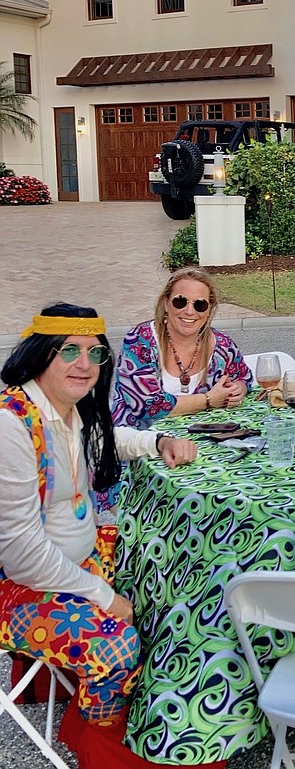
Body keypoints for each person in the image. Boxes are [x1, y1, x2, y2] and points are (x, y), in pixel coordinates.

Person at [0, 304, 197, 725]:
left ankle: (170, 697)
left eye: (96, 353)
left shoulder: (70, 405)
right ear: (41, 353)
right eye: (70, 351)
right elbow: (21, 555)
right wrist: (105, 596)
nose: (85, 365)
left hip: (77, 560)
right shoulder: (10, 425)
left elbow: (109, 439)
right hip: (16, 585)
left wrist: (158, 441)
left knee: (169, 561)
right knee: (118, 646)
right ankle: (100, 733)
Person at [112, 266, 253, 428]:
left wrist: (238, 389)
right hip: (140, 439)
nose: (189, 311)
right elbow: (146, 406)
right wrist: (209, 400)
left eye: (200, 305)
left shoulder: (222, 345)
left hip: (201, 438)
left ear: (209, 310)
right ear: (166, 303)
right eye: (180, 301)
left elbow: (244, 377)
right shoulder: (140, 341)